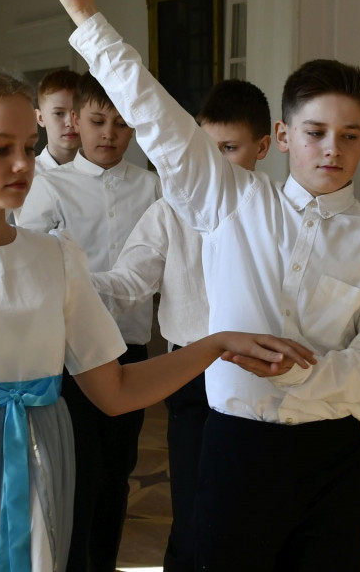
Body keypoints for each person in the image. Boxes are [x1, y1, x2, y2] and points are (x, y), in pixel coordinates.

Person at [37, 0, 360, 571]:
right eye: (317, 130)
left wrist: (306, 373)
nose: (332, 147)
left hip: (337, 456)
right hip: (239, 444)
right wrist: (86, 16)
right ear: (284, 135)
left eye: (349, 135)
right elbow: (159, 119)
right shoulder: (234, 199)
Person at [0, 68, 315, 572]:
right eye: (1, 149)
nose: (24, 163)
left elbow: (116, 390)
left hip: (43, 472)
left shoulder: (56, 257)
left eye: (29, 145)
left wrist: (215, 344)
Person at [90, 78, 272, 572]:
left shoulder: (275, 214)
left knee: (253, 506)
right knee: (192, 504)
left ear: (264, 145)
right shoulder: (168, 212)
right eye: (207, 150)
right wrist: (63, 284)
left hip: (261, 378)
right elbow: (127, 282)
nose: (215, 165)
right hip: (188, 376)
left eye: (229, 150)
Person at [15, 71, 161, 572]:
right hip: (68, 353)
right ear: (75, 121)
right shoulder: (46, 186)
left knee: (118, 472)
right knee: (78, 473)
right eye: (99, 121)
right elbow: (33, 270)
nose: (109, 134)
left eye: (122, 125)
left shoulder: (152, 187)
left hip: (129, 348)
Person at [34, 69, 81, 173]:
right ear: (40, 118)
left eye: (77, 112)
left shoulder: (106, 173)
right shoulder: (27, 177)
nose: (70, 123)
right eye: (59, 113)